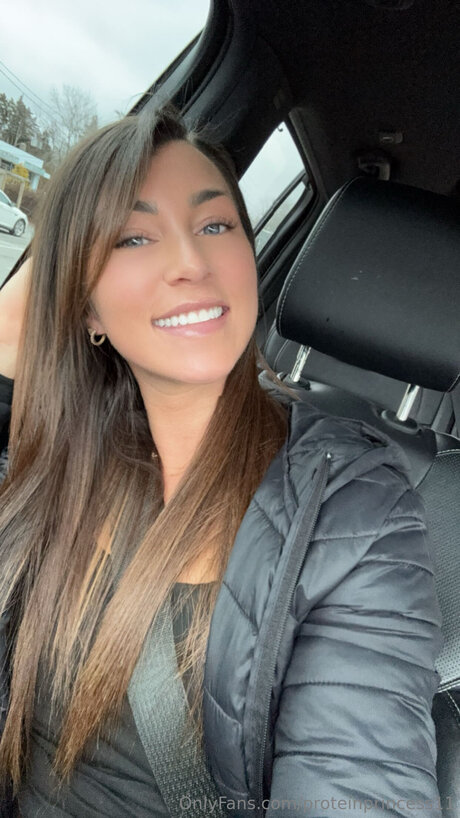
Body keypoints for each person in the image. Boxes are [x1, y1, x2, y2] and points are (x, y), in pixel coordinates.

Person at [0, 104, 442, 818]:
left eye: (214, 225)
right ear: (85, 311)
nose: (191, 263)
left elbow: (360, 780)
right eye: (133, 237)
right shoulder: (62, 450)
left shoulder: (357, 513)